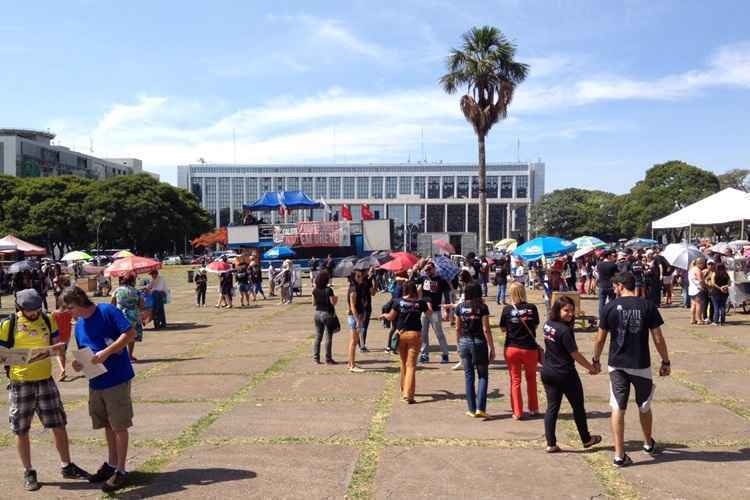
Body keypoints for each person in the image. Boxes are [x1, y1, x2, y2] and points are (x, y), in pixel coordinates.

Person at [0, 289, 90, 491]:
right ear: (20, 308)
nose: (33, 314)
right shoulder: (9, 324)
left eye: (36, 309)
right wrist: (27, 357)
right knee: (21, 429)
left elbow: (56, 345)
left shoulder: (48, 320)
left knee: (58, 424)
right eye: (29, 310)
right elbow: (2, 356)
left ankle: (67, 465)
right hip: (21, 382)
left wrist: (55, 349)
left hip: (45, 381)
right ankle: (28, 471)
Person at [592, 272, 671, 467]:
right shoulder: (647, 306)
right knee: (644, 405)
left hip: (617, 363)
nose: (613, 290)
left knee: (618, 406)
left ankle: (619, 454)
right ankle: (648, 443)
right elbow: (658, 337)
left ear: (620, 286)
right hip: (640, 362)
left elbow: (600, 338)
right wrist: (665, 361)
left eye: (615, 286)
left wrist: (595, 359)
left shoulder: (609, 307)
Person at [63, 286, 137, 492]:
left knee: (119, 425)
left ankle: (121, 470)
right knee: (106, 424)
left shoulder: (107, 311)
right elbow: (84, 352)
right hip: (96, 381)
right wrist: (79, 365)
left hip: (116, 378)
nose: (69, 312)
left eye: (70, 307)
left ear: (79, 301)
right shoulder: (78, 325)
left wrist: (107, 352)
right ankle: (112, 463)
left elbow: (129, 332)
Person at [541, 295, 602, 453]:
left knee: (552, 407)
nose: (570, 314)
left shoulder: (548, 324)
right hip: (564, 373)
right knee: (578, 407)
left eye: (572, 311)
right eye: (566, 310)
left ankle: (551, 443)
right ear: (557, 310)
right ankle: (586, 439)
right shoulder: (564, 330)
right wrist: (591, 367)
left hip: (548, 371)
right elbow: (575, 354)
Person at [379, 281, 431, 403]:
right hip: (415, 334)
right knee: (411, 365)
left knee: (403, 363)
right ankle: (408, 394)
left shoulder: (398, 302)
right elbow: (429, 312)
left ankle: (403, 388)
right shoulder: (420, 302)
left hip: (401, 334)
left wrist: (384, 315)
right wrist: (425, 300)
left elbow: (391, 317)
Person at [499, 282, 541, 420]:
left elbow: (503, 328)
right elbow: (535, 324)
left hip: (512, 347)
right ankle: (534, 408)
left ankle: (517, 411)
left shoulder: (507, 310)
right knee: (531, 378)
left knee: (515, 380)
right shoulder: (532, 308)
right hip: (529, 348)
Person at [456, 282, 495, 417]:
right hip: (479, 343)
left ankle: (471, 409)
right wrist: (492, 348)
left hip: (464, 342)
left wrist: (458, 344)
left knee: (468, 376)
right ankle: (481, 408)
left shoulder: (460, 307)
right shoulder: (482, 307)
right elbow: (486, 329)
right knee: (483, 375)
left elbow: (457, 328)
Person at [417, 261, 452, 364]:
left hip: (436, 311)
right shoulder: (423, 279)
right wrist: (417, 270)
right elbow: (413, 286)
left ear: (434, 269)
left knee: (439, 333)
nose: (427, 271)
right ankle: (424, 354)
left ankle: (445, 354)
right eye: (426, 270)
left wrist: (447, 310)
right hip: (424, 311)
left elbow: (447, 296)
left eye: (429, 269)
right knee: (423, 334)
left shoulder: (441, 280)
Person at [111, 273, 144, 362]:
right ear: (133, 281)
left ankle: (121, 356)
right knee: (131, 337)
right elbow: (141, 306)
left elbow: (112, 304)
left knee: (120, 336)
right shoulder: (137, 291)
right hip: (133, 316)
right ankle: (129, 356)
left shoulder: (117, 290)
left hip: (120, 316)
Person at [312, 270, 338, 364]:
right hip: (327, 313)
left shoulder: (315, 290)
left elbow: (313, 303)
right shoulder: (329, 290)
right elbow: (333, 302)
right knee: (328, 337)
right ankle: (328, 358)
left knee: (318, 336)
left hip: (317, 313)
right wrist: (335, 298)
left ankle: (316, 358)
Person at [347, 270, 369, 373]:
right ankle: (352, 365)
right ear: (354, 278)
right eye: (358, 276)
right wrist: (357, 320)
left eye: (361, 276)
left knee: (354, 342)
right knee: (353, 342)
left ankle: (350, 362)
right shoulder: (353, 289)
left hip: (358, 316)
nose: (361, 278)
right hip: (354, 317)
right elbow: (352, 307)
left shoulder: (358, 287)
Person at [52, 300, 73, 381]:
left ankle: (62, 370)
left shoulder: (54, 313)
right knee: (62, 353)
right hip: (67, 335)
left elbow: (51, 323)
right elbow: (74, 319)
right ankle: (62, 369)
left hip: (57, 336)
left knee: (59, 354)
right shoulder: (69, 312)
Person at [706, 262, 730, 326]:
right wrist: (724, 287)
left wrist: (719, 288)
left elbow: (713, 283)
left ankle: (715, 321)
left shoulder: (714, 273)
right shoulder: (726, 274)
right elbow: (730, 283)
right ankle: (723, 321)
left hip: (715, 292)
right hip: (725, 292)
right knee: (723, 307)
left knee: (716, 307)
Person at [596, 251, 619, 319]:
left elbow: (597, 274)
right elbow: (617, 275)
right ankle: (611, 316)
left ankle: (601, 317)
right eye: (612, 255)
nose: (613, 257)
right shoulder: (613, 265)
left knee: (601, 302)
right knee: (612, 302)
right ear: (608, 256)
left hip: (602, 285)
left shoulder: (599, 264)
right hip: (611, 285)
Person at [688, 257, 706, 325]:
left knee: (693, 304)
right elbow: (700, 280)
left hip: (692, 289)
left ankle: (692, 319)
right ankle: (699, 319)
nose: (704, 265)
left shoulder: (691, 269)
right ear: (700, 263)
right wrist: (703, 286)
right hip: (698, 289)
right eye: (703, 263)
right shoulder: (697, 270)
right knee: (699, 305)